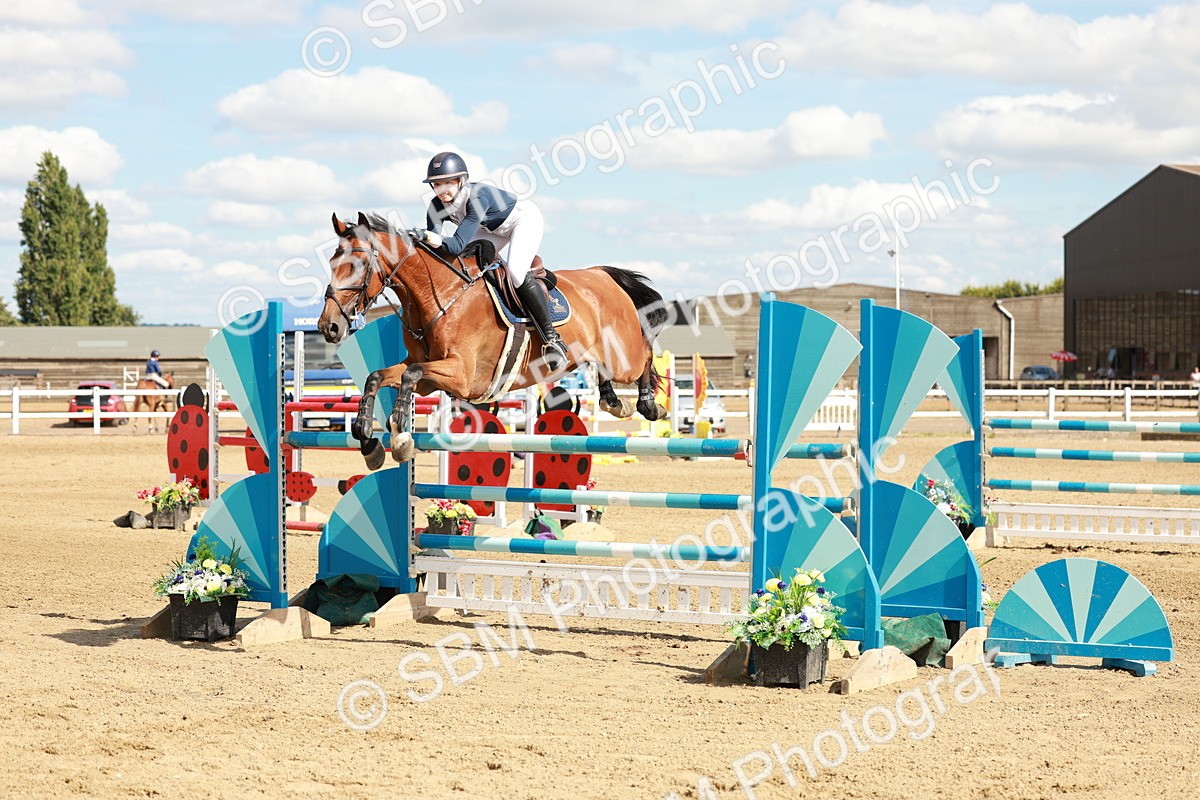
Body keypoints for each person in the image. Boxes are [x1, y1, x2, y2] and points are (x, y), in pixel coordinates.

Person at [413, 151, 567, 371]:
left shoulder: (476, 197)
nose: (443, 189)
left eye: (448, 182)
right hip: (491, 229)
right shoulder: (436, 207)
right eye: (437, 184)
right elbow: (437, 251)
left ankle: (552, 339)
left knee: (515, 272)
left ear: (460, 181)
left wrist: (428, 237)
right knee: (464, 266)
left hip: (522, 219)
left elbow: (455, 244)